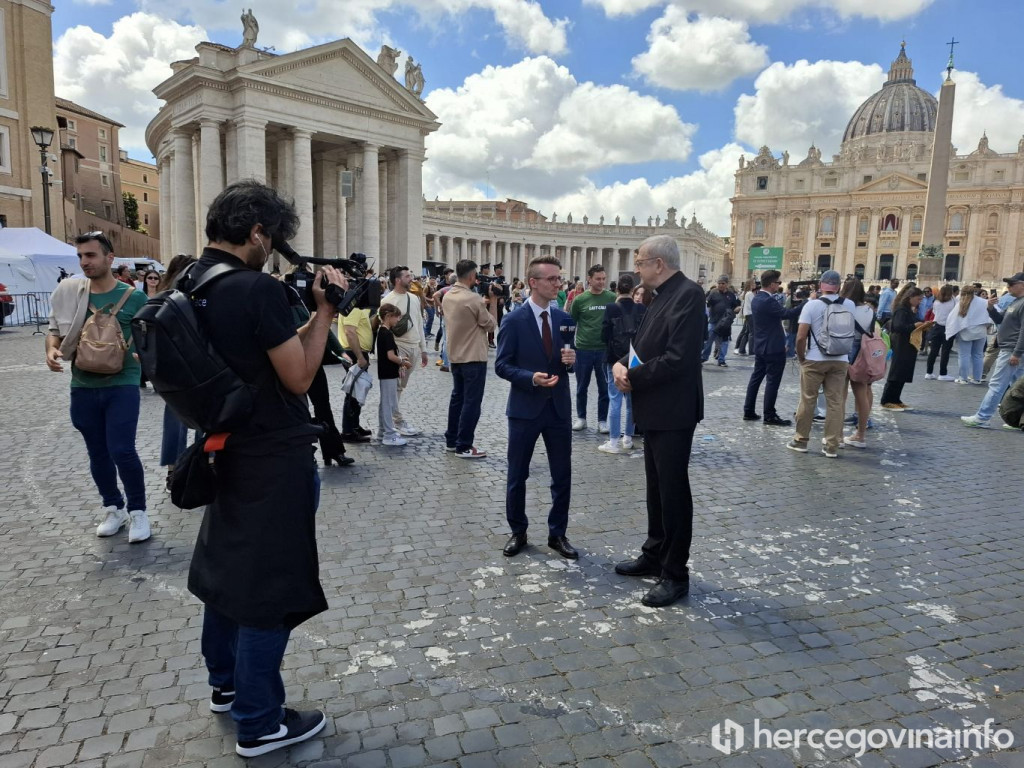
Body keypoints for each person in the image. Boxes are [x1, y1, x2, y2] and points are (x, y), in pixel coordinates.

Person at [184, 181, 346, 757]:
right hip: (270, 455)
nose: (273, 248)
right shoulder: (256, 289)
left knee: (226, 573)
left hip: (221, 446)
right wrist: (324, 312)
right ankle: (259, 721)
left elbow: (262, 353)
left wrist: (303, 324)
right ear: (256, 233)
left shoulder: (192, 282)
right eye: (272, 238)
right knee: (268, 586)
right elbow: (298, 377)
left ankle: (225, 684)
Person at [611, 235, 704, 608]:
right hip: (654, 407)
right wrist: (621, 363)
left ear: (658, 264)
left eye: (640, 262)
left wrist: (632, 377)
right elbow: (644, 345)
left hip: (674, 410)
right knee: (656, 488)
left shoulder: (689, 295)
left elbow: (678, 358)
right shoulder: (659, 295)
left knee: (673, 491)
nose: (636, 269)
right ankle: (654, 553)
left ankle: (675, 573)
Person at [46, 232, 151, 542]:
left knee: (122, 449)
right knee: (97, 452)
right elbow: (55, 330)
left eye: (90, 255)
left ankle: (138, 511)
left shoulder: (134, 297)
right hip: (82, 383)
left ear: (110, 258)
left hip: (122, 382)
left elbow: (150, 335)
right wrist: (51, 350)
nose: (84, 262)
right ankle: (113, 507)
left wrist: (144, 354)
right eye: (80, 256)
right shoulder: (71, 293)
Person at [495, 255, 578, 561]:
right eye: (552, 279)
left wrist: (572, 361)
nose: (558, 284)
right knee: (517, 475)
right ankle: (518, 531)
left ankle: (558, 534)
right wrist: (530, 378)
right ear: (533, 282)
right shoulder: (513, 320)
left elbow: (569, 360)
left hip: (558, 409)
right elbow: (502, 365)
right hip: (525, 408)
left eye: (559, 278)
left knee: (562, 475)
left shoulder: (565, 319)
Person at [786, 270, 855, 457]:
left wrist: (801, 357)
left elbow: (801, 337)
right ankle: (832, 445)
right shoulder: (849, 304)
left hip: (815, 359)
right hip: (840, 359)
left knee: (808, 400)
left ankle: (801, 441)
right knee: (835, 402)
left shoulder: (811, 305)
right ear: (838, 287)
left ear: (820, 286)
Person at [442, 259, 496, 458]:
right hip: (473, 356)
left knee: (457, 399)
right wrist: (493, 302)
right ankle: (464, 445)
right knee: (471, 403)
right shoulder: (473, 299)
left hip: (455, 355)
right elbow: (491, 325)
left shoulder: (448, 296)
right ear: (473, 275)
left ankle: (451, 440)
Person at [961, 273, 1024, 428]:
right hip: (1011, 349)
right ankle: (1017, 420)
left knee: (997, 384)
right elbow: (1000, 319)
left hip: (1012, 350)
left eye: (1011, 284)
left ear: (1022, 285)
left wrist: (1017, 353)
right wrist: (990, 307)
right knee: (1017, 386)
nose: (1008, 287)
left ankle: (982, 417)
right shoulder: (1015, 301)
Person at [157, 255, 198, 489]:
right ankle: (206, 463)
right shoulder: (191, 295)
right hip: (196, 365)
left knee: (174, 419)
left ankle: (174, 470)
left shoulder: (161, 297)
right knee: (205, 419)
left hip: (169, 369)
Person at [743, 270, 802, 426]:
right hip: (773, 347)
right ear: (771, 284)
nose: (779, 284)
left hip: (761, 345)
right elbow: (787, 314)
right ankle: (769, 415)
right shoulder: (768, 300)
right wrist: (806, 303)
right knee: (772, 382)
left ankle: (748, 410)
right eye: (778, 282)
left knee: (755, 379)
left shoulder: (757, 298)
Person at [599, 273, 645, 453]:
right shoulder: (641, 309)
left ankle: (613, 441)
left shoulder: (611, 308)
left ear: (617, 289)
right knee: (632, 401)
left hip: (614, 358)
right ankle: (628, 438)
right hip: (634, 359)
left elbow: (604, 335)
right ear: (633, 290)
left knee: (615, 399)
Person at [381, 266, 428, 435]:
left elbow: (419, 324)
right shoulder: (388, 300)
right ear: (398, 280)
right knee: (395, 386)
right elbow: (384, 328)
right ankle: (396, 421)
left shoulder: (414, 298)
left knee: (401, 386)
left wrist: (423, 349)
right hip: (399, 346)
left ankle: (391, 420)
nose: (411, 279)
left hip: (414, 347)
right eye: (407, 276)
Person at [569, 264, 616, 433]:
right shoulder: (579, 300)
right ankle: (581, 418)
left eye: (604, 279)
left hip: (604, 349)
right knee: (582, 386)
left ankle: (602, 420)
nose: (601, 282)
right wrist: (571, 347)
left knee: (604, 387)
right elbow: (572, 323)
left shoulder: (612, 297)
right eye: (598, 279)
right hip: (583, 349)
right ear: (589, 279)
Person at [879, 286, 931, 411]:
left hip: (908, 344)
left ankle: (896, 399)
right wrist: (914, 325)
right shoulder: (901, 310)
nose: (920, 302)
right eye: (918, 299)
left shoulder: (909, 310)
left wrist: (923, 326)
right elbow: (898, 327)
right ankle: (886, 400)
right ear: (910, 297)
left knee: (903, 372)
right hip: (900, 344)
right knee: (896, 372)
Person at [840, 278, 877, 449]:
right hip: (862, 352)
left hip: (843, 348)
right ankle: (860, 435)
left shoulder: (843, 307)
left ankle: (837, 435)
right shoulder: (869, 310)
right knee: (861, 394)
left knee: (839, 395)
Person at [376, 303, 413, 446]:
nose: (398, 320)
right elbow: (390, 356)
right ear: (388, 316)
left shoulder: (383, 331)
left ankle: (382, 431)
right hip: (388, 373)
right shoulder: (386, 333)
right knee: (388, 403)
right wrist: (402, 362)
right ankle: (389, 434)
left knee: (385, 403)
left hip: (386, 372)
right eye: (396, 317)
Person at [338, 305, 374, 443]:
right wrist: (359, 357)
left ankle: (354, 426)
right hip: (354, 353)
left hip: (357, 352)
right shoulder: (353, 308)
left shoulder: (359, 307)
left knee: (357, 391)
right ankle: (348, 431)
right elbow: (350, 332)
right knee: (352, 393)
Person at [945, 285, 990, 384]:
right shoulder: (983, 301)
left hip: (965, 332)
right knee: (978, 355)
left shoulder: (961, 303)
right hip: (980, 331)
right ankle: (977, 378)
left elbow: (951, 318)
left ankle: (963, 378)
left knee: (964, 355)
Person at [701, 275, 739, 366]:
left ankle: (721, 360)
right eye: (719, 283)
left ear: (727, 284)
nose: (721, 285)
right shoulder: (713, 293)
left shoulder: (731, 295)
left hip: (725, 323)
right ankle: (704, 357)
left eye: (723, 283)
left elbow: (735, 306)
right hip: (713, 321)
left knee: (724, 342)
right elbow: (707, 304)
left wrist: (736, 309)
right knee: (708, 340)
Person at [924, 284, 957, 380]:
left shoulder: (936, 301)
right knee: (945, 352)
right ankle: (943, 373)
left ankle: (929, 372)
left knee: (933, 351)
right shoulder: (953, 301)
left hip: (936, 327)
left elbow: (934, 313)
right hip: (948, 328)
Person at [735, 280, 756, 355]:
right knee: (752, 333)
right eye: (753, 284)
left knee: (747, 332)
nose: (755, 285)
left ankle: (741, 349)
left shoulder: (747, 293)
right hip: (750, 314)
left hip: (747, 314)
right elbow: (754, 303)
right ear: (751, 285)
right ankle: (751, 350)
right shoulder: (750, 294)